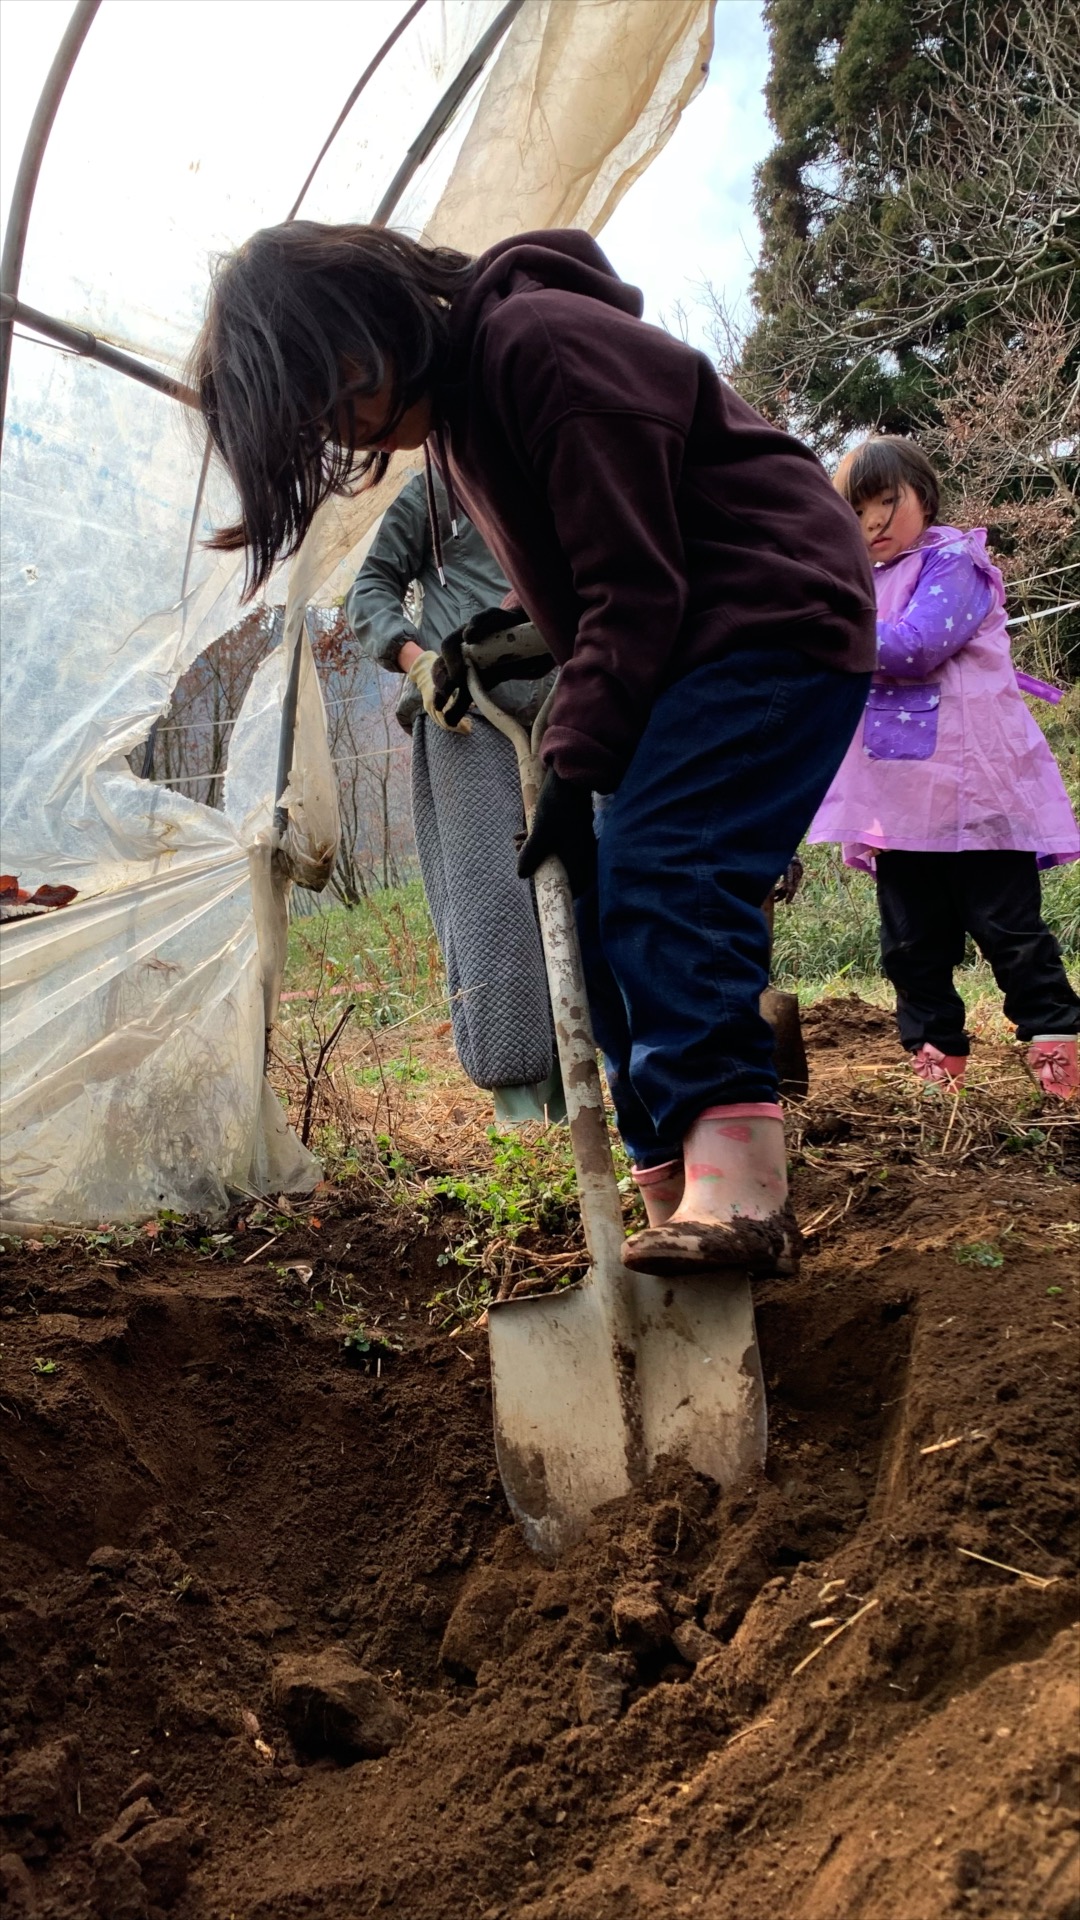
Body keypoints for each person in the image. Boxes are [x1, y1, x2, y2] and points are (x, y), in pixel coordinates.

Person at [191, 221, 876, 1275]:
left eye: (329, 407)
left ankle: (742, 1190)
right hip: (684, 640)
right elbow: (588, 574)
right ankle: (671, 1191)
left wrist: (577, 755)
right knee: (596, 906)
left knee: (666, 867)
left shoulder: (536, 345)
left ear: (362, 341)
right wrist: (512, 649)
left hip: (768, 614)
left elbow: (634, 583)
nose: (341, 436)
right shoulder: (460, 424)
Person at [809, 435, 1080, 1099]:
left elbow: (915, 647)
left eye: (886, 500)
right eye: (856, 510)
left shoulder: (954, 562)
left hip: (976, 788)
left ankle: (1058, 1055)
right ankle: (937, 1069)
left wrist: (815, 631)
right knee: (909, 943)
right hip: (898, 800)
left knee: (1008, 929)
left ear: (924, 497)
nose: (873, 521)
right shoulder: (857, 585)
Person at [345, 469, 563, 1124]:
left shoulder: (554, 463)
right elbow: (369, 589)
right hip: (466, 710)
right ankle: (525, 1110)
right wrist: (416, 660)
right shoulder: (435, 490)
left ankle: (599, 1078)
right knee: (491, 901)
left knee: (586, 884)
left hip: (566, 695)